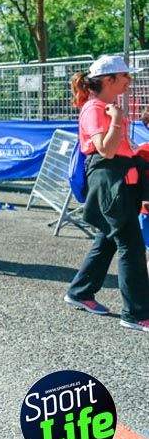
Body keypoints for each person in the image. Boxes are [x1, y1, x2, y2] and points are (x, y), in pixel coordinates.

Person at [65, 56, 149, 332]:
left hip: (118, 178)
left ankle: (79, 292)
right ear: (109, 80)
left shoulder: (107, 106)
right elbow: (106, 150)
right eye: (126, 76)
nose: (129, 81)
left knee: (109, 240)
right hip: (108, 179)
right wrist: (117, 120)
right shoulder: (94, 108)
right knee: (131, 246)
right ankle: (135, 313)